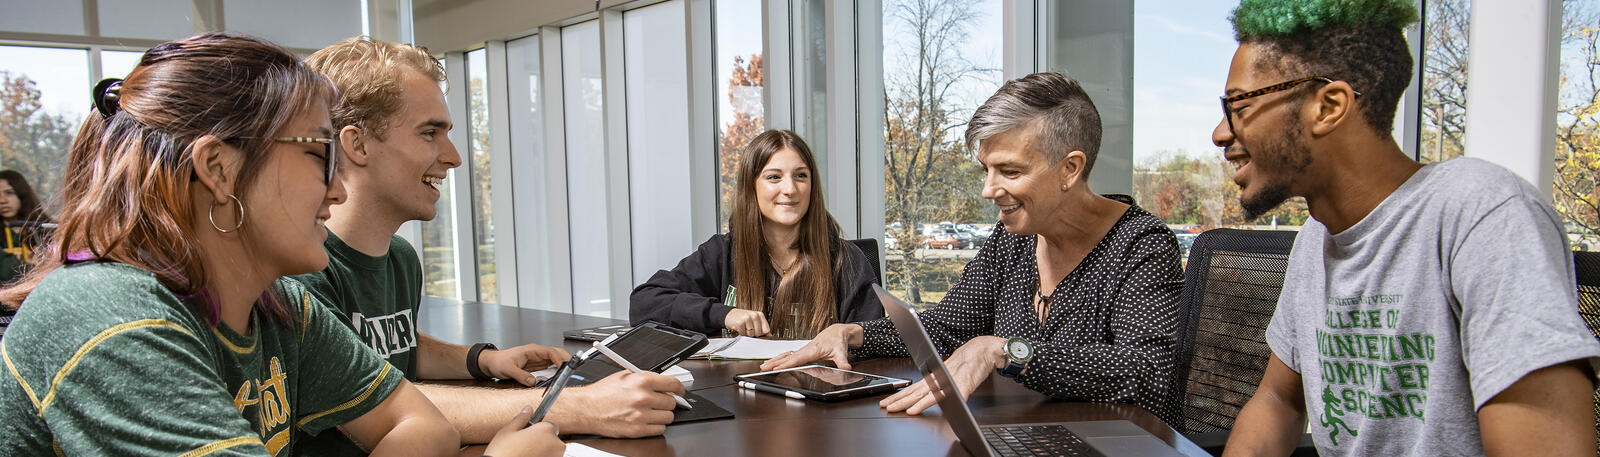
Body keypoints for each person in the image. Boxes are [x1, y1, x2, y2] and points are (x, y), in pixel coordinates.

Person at [0, 34, 560, 456]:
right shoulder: (110, 321)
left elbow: (424, 427)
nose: (337, 188)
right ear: (219, 168)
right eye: (319, 156)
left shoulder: (279, 305)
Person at [1212, 1, 1600, 455]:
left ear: (1328, 106)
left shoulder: (1483, 211)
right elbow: (1278, 400)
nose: (1221, 132)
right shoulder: (1317, 237)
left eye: (1239, 104)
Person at [296, 36, 685, 452]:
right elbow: (387, 404)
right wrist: (581, 406)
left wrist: (479, 359)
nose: (454, 157)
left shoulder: (400, 260)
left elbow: (389, 344)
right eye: (430, 133)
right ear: (358, 144)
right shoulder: (299, 274)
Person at [763, 73, 1186, 426]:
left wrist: (1004, 350)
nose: (988, 190)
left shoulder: (1142, 246)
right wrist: (853, 334)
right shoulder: (1013, 238)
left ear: (1070, 168)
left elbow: (1146, 373)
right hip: (1021, 433)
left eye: (1010, 171)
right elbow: (948, 326)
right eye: (986, 169)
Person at [630, 129, 881, 339]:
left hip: (821, 392)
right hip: (737, 392)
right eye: (774, 177)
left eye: (801, 176)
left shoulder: (847, 260)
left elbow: (873, 341)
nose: (790, 189)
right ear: (752, 187)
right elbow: (644, 302)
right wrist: (725, 314)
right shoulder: (723, 252)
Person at [0, 170, 50, 283]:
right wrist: (37, 270)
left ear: (22, 194)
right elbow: (5, 270)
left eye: (9, 193)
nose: (2, 201)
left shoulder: (45, 228)